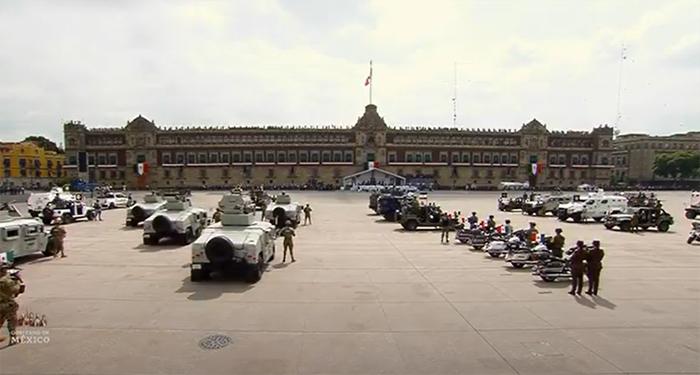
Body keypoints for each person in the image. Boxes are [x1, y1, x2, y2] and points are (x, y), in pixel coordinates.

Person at [0, 262, 21, 345]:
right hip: (6, 304)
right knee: (12, 321)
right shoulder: (6, 281)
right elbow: (16, 290)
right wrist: (18, 281)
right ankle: (13, 338)